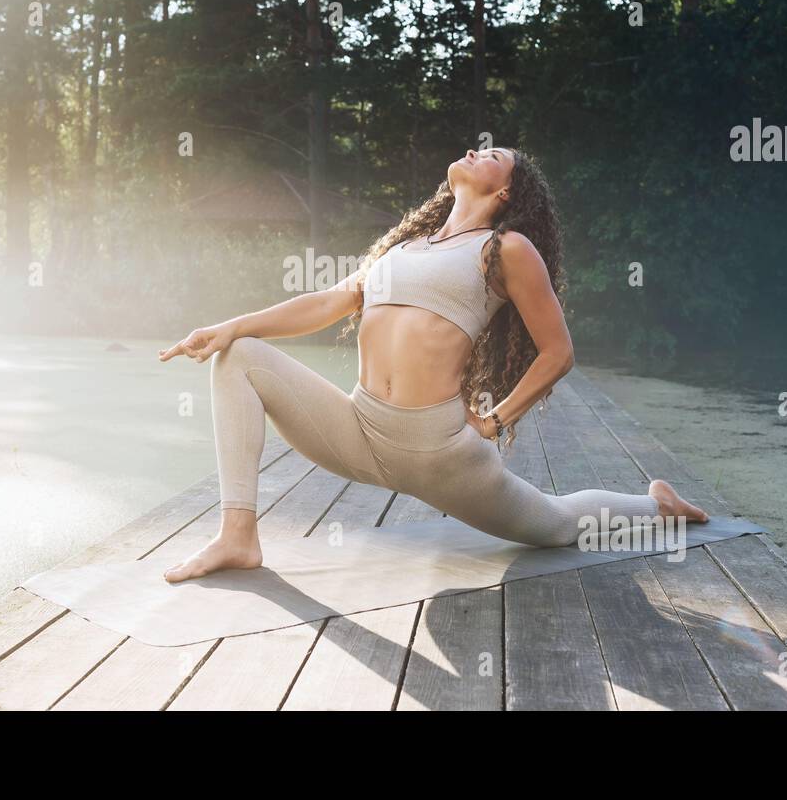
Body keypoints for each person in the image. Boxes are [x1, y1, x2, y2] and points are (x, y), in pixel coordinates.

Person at [158, 147, 707, 583]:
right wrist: (231, 325)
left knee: (558, 525)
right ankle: (238, 536)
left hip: (440, 452)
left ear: (506, 189)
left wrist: (495, 421)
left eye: (492, 155)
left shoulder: (505, 248)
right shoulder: (403, 247)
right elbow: (327, 302)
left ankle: (655, 503)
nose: (475, 150)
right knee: (241, 357)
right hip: (359, 429)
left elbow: (558, 352)